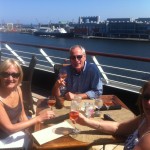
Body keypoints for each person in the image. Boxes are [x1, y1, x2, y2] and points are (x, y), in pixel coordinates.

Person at [74, 80, 150, 150]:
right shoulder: (143, 119)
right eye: (146, 97)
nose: (148, 102)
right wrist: (85, 121)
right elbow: (118, 127)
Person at [0, 59, 55, 149]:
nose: (10, 78)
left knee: (45, 133)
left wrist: (29, 131)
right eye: (5, 74)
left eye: (15, 75)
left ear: (19, 76)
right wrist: (37, 118)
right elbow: (9, 129)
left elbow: (22, 115)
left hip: (16, 130)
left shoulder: (17, 89)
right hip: (4, 138)